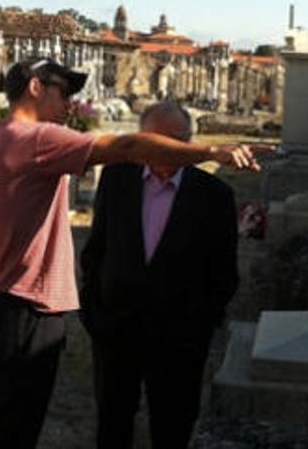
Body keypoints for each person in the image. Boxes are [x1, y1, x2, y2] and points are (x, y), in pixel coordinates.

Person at [0, 59, 265, 449]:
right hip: (29, 306)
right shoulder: (39, 138)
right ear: (35, 87)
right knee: (12, 426)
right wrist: (211, 152)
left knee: (0, 417)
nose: (70, 103)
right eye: (63, 92)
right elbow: (125, 147)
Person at [80, 101, 239, 449]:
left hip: (179, 340)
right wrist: (93, 313)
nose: (166, 151)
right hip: (115, 330)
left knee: (172, 427)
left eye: (177, 141)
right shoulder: (117, 179)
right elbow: (97, 250)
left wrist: (199, 326)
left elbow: (224, 273)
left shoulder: (214, 196)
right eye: (156, 141)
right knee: (112, 422)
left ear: (191, 143)